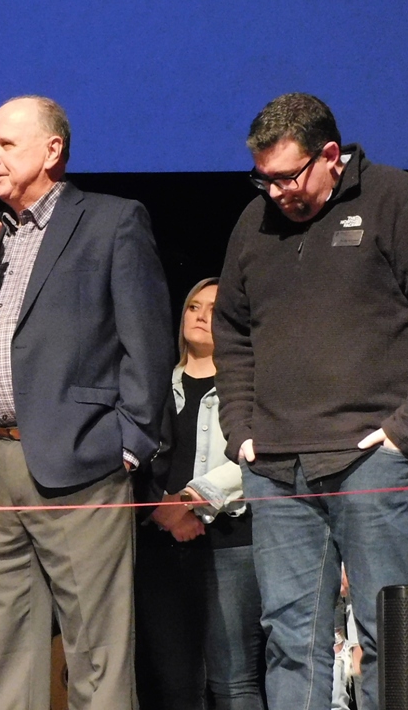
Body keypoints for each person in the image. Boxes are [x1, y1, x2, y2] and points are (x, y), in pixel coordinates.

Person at [0, 95, 173, 709]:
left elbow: (147, 341)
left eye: (6, 144)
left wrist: (131, 442)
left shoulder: (111, 221)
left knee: (96, 649)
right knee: (0, 648)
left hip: (80, 460)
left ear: (52, 150)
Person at [213, 92, 408, 710]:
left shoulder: (396, 199)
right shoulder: (253, 221)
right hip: (276, 466)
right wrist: (239, 427)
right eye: (263, 178)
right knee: (289, 638)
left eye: (288, 176)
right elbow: (232, 330)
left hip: (372, 459)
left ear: (331, 155)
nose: (276, 191)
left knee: (393, 633)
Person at [134, 278, 265, 710]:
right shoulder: (152, 386)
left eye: (214, 308)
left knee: (234, 681)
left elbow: (256, 456)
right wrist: (160, 510)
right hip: (160, 546)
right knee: (174, 686)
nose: (201, 315)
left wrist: (190, 499)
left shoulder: (248, 387)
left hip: (230, 543)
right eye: (194, 306)